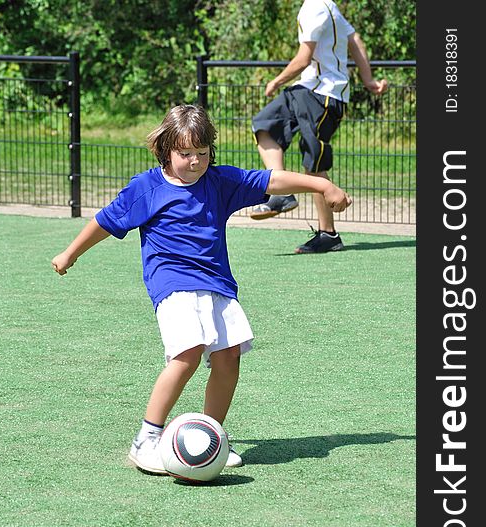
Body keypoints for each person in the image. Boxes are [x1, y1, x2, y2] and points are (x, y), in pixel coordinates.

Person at [51, 104, 351, 475]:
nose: (195, 161)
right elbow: (104, 221)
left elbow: (270, 180)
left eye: (203, 153)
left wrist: (321, 184)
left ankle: (211, 437)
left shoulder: (219, 182)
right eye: (185, 154)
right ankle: (146, 438)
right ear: (165, 149)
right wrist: (70, 253)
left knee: (228, 358)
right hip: (172, 282)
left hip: (218, 283)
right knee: (188, 352)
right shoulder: (145, 188)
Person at [250, 0, 388, 253]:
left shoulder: (315, 7)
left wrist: (276, 82)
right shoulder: (329, 6)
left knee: (314, 164)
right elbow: (355, 40)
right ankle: (281, 193)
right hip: (308, 91)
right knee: (264, 125)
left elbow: (303, 59)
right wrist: (368, 80)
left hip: (324, 96)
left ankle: (328, 234)